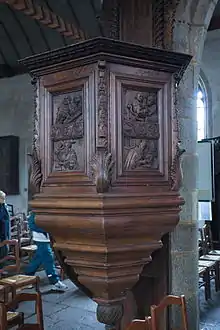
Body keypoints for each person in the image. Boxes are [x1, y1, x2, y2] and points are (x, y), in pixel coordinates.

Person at [25, 211, 67, 291]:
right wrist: (46, 230)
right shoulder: (35, 211)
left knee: (38, 258)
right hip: (40, 239)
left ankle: (27, 277)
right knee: (48, 258)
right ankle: (55, 281)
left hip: (47, 239)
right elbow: (32, 225)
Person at [0, 190, 10, 259]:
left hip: (5, 229)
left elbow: (7, 217)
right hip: (1, 229)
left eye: (4, 198)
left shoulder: (4, 205)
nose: (3, 199)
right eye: (2, 198)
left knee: (5, 248)